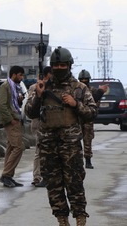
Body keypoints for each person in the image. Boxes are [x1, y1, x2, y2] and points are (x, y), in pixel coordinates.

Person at [25, 47, 97, 226]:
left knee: (75, 185)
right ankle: (62, 221)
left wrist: (76, 104)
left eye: (62, 65)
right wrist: (38, 97)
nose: (59, 68)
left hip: (70, 146)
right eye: (55, 65)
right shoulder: (42, 87)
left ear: (69, 65)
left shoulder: (79, 88)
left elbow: (92, 113)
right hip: (48, 146)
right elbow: (29, 113)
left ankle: (80, 219)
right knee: (54, 186)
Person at [0, 65, 25, 188]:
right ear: (14, 74)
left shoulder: (15, 87)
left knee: (11, 148)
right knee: (19, 147)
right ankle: (6, 175)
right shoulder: (5, 86)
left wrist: (19, 100)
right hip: (11, 121)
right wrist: (10, 119)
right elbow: (1, 105)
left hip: (16, 119)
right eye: (20, 75)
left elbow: (13, 104)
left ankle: (9, 177)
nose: (22, 78)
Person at [78, 69, 108, 169]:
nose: (83, 81)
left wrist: (100, 92)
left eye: (85, 79)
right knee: (74, 141)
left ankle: (88, 160)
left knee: (87, 141)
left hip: (88, 119)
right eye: (81, 79)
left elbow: (94, 100)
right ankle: (77, 160)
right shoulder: (76, 90)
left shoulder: (92, 90)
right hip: (77, 119)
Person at [29, 66, 52, 187]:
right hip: (38, 122)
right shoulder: (35, 87)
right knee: (39, 150)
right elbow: (30, 108)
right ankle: (37, 176)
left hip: (51, 122)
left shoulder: (55, 88)